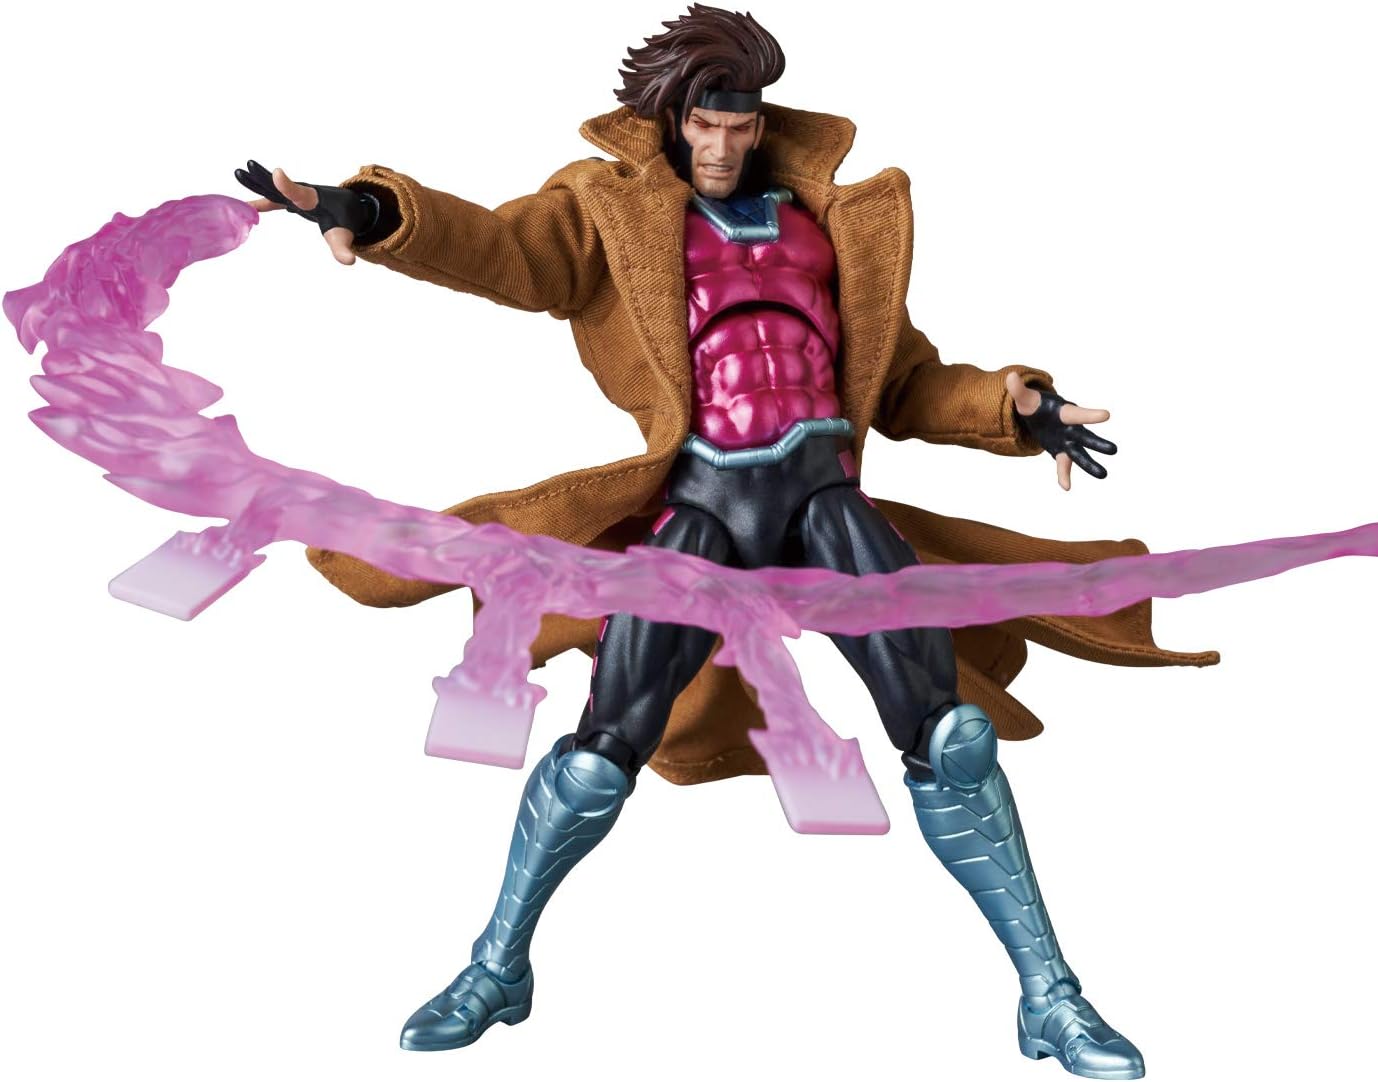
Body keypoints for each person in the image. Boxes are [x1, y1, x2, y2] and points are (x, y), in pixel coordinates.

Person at [236, 6, 1204, 1078]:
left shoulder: (825, 223)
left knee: (953, 737)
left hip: (825, 505)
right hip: (703, 506)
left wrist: (1013, 405)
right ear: (671, 120)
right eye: (705, 124)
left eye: (741, 126)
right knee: (602, 752)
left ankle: (1051, 999)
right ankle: (497, 966)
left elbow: (905, 382)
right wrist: (372, 210)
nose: (723, 146)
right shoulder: (612, 213)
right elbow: (500, 251)